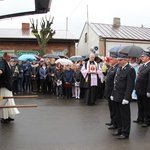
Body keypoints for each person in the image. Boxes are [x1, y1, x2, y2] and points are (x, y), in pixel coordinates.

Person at [111, 54, 136, 139]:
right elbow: (116, 83)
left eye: (120, 60)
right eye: (118, 60)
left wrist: (126, 97)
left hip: (124, 96)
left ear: (126, 60)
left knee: (125, 115)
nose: (119, 62)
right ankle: (120, 129)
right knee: (118, 114)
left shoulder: (130, 70)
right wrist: (112, 94)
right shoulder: (119, 68)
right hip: (117, 95)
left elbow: (130, 85)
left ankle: (125, 132)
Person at [0, 52, 20, 123]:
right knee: (4, 101)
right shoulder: (2, 62)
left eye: (10, 57)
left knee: (9, 101)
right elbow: (1, 69)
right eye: (8, 57)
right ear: (4, 56)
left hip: (8, 86)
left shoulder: (8, 63)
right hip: (4, 86)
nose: (10, 58)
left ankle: (9, 116)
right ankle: (4, 117)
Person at [134, 51, 150, 127]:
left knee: (146, 106)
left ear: (148, 57)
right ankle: (140, 118)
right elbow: (138, 77)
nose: (142, 58)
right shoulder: (142, 66)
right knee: (140, 105)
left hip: (145, 89)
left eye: (143, 56)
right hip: (139, 89)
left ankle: (147, 120)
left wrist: (149, 90)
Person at [104, 55, 119, 129]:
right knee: (111, 107)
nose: (110, 60)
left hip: (113, 90)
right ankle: (112, 120)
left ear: (116, 60)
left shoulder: (117, 68)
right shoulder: (111, 68)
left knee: (114, 108)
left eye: (112, 59)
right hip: (109, 90)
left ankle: (115, 123)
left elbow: (115, 81)